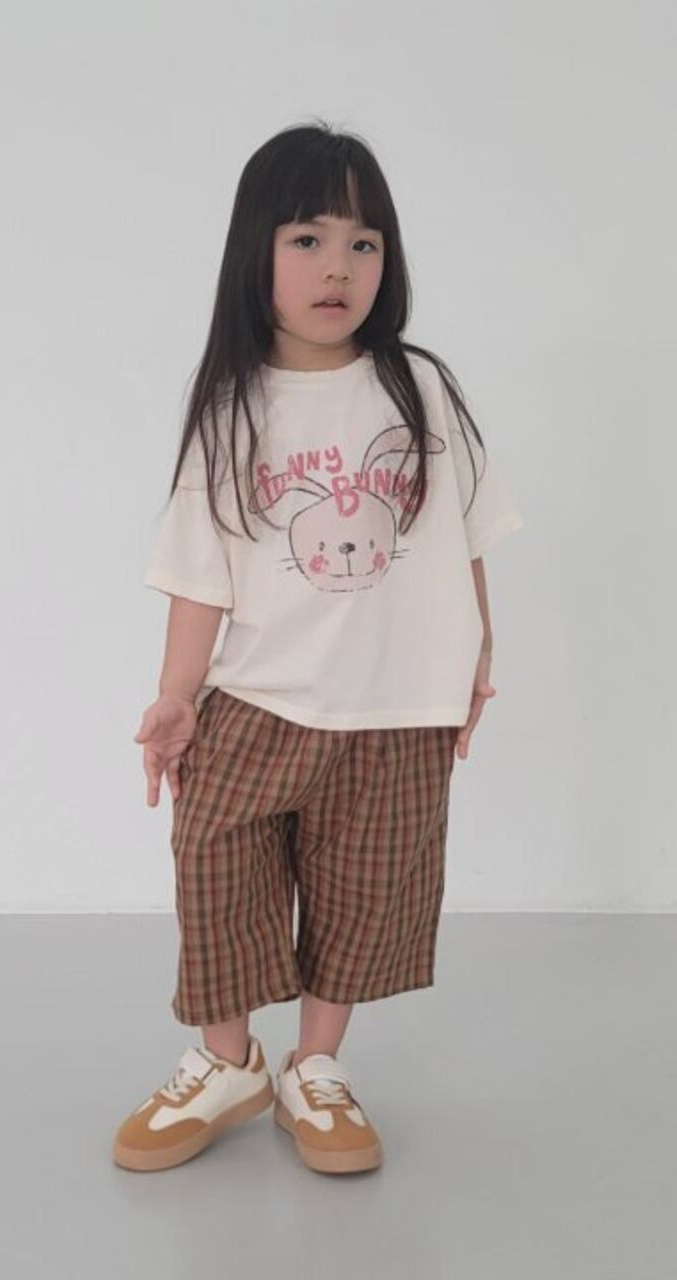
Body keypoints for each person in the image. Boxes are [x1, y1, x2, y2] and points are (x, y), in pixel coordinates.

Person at [112, 121, 524, 1177]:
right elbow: (199, 569)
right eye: (306, 239)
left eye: (361, 243)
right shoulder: (230, 406)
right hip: (256, 698)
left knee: (360, 894)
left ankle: (315, 1065)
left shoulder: (419, 389)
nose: (337, 266)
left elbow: (466, 535)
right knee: (215, 870)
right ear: (254, 252)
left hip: (395, 707)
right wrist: (175, 696)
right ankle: (227, 1062)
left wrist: (474, 658)